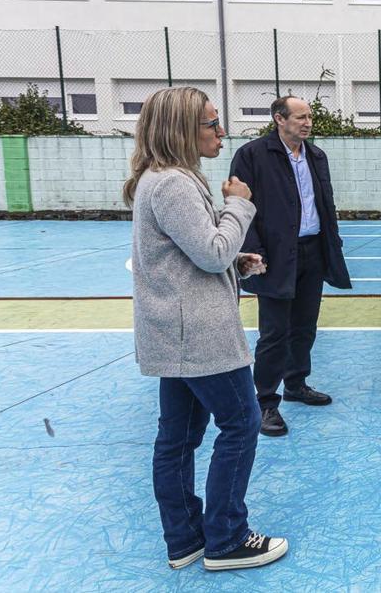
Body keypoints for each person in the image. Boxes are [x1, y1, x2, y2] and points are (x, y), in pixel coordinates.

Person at [124, 86, 287, 572]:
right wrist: (238, 205)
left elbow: (191, 256)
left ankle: (186, 538)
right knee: (242, 423)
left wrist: (236, 263)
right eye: (211, 123)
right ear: (181, 129)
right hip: (198, 337)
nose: (221, 131)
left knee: (178, 438)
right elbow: (210, 251)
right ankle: (227, 537)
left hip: (175, 334)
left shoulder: (162, 180)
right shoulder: (174, 183)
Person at [229, 95, 351, 437]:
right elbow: (240, 206)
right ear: (279, 119)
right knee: (274, 332)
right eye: (300, 117)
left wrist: (332, 244)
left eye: (309, 116)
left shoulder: (316, 156)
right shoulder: (252, 155)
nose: (308, 122)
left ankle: (296, 382)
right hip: (275, 256)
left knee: (305, 325)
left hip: (312, 251)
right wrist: (252, 251)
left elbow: (325, 204)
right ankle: (266, 401)